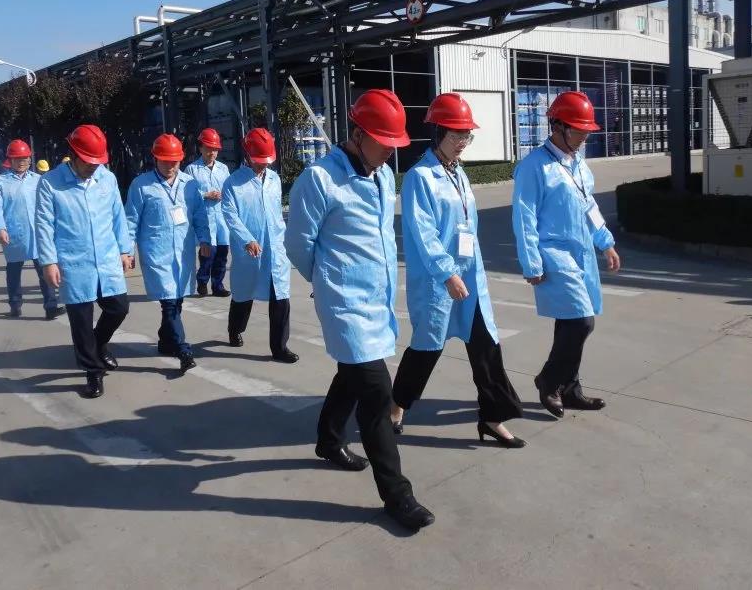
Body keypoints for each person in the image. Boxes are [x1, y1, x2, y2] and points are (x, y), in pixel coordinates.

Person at [285, 89, 434, 531]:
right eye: (383, 141)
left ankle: (328, 440)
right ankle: (398, 496)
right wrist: (327, 283)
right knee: (377, 395)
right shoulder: (319, 179)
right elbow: (298, 243)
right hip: (344, 303)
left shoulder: (382, 175)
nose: (390, 151)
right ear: (357, 134)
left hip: (376, 300)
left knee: (352, 374)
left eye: (394, 143)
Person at [391, 93, 524, 447]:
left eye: (467, 135)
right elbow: (424, 234)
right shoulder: (420, 177)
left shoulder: (457, 172)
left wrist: (468, 272)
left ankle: (492, 418)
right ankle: (396, 405)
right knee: (427, 347)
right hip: (438, 281)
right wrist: (447, 273)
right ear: (437, 132)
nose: (462, 142)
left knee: (486, 345)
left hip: (470, 279)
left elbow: (467, 227)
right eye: (456, 135)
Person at [512, 91, 621, 419]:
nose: (585, 136)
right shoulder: (534, 166)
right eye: (579, 130)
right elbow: (524, 217)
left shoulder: (578, 164)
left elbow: (589, 206)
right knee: (581, 321)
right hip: (553, 253)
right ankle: (549, 379)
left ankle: (570, 389)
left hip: (581, 252)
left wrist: (605, 242)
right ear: (557, 126)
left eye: (587, 131)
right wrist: (531, 262)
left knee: (570, 321)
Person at [35, 125, 135, 399]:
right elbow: (43, 224)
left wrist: (125, 250)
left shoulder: (107, 179)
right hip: (73, 260)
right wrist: (49, 261)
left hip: (106, 257)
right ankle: (93, 371)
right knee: (81, 320)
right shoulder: (51, 183)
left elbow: (118, 216)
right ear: (74, 154)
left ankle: (99, 344)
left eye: (97, 161)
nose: (93, 166)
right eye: (89, 161)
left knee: (118, 308)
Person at [125, 133, 202, 372]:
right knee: (169, 302)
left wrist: (206, 239)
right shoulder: (141, 185)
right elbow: (130, 220)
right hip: (156, 252)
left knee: (176, 301)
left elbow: (199, 214)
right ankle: (183, 350)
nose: (170, 166)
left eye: (175, 162)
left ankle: (165, 341)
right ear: (155, 158)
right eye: (165, 161)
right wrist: (127, 251)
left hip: (183, 250)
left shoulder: (190, 184)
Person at [221, 128, 296, 363]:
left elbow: (276, 213)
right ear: (247, 154)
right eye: (258, 160)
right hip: (249, 251)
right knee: (243, 296)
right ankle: (235, 329)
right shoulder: (233, 183)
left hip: (276, 248)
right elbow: (230, 215)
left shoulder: (274, 179)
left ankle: (279, 347)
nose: (263, 165)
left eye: (266, 160)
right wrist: (247, 239)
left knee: (280, 297)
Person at [0, 139, 62, 320]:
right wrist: (0, 229)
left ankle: (51, 306)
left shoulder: (39, 180)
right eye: (17, 159)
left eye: (25, 158)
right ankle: (15, 304)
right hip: (14, 232)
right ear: (10, 160)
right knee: (14, 271)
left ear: (30, 159)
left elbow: (48, 205)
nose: (21, 162)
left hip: (38, 232)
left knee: (45, 268)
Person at [184, 128, 230, 297]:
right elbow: (187, 193)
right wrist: (205, 195)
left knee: (222, 253)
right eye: (209, 149)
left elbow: (229, 189)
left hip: (221, 216)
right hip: (205, 217)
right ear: (201, 148)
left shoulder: (223, 168)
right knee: (208, 253)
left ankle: (218, 285)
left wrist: (223, 195)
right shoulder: (192, 169)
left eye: (215, 149)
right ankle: (202, 281)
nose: (212, 153)